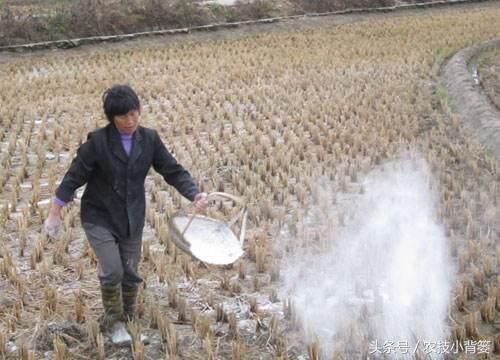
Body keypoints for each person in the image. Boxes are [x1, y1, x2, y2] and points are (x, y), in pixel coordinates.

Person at [44, 84, 208, 345]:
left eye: (134, 114)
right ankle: (114, 323)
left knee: (130, 271)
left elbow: (172, 170)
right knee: (112, 270)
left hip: (132, 216)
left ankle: (129, 319)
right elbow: (73, 177)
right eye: (123, 117)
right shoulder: (97, 143)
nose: (131, 121)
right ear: (112, 118)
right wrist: (54, 213)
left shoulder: (149, 139)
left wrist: (194, 193)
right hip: (99, 215)